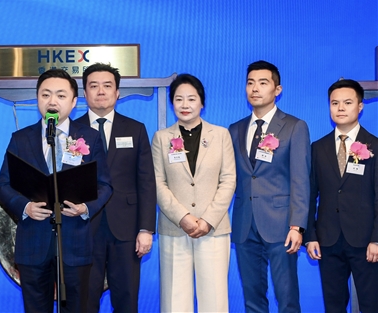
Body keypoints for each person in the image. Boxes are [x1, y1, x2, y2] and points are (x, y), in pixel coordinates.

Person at [0, 68, 112, 313]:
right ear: (38, 98)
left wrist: (85, 208)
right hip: (33, 243)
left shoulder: (90, 137)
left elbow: (105, 185)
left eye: (60, 95)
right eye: (45, 94)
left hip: (74, 243)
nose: (52, 101)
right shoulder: (21, 138)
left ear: (73, 101)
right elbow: (3, 185)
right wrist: (25, 207)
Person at [229, 60, 311, 313]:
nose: (255, 89)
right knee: (252, 298)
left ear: (277, 89)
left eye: (263, 83)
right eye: (250, 83)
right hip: (244, 225)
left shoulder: (294, 126)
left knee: (287, 298)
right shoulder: (235, 129)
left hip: (281, 226)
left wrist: (297, 226)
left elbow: (301, 179)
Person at [152, 73, 236, 312]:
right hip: (174, 228)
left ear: (202, 102)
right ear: (172, 103)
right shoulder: (161, 138)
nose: (185, 105)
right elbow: (157, 183)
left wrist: (208, 220)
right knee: (174, 300)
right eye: (179, 99)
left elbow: (228, 180)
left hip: (213, 229)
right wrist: (183, 217)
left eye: (191, 99)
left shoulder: (221, 135)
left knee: (214, 299)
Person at [76, 63, 156, 313]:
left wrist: (146, 229)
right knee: (84, 299)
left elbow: (146, 182)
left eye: (107, 85)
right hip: (84, 227)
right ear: (85, 93)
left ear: (117, 92)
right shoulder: (71, 131)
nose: (101, 91)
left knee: (126, 299)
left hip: (127, 229)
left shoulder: (135, 129)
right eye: (94, 86)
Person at [306, 79, 378, 312]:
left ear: (360, 106)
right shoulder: (318, 148)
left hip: (365, 241)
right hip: (328, 240)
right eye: (334, 103)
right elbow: (309, 195)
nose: (340, 108)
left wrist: (376, 239)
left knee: (371, 303)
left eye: (347, 102)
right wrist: (310, 235)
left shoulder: (374, 146)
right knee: (334, 305)